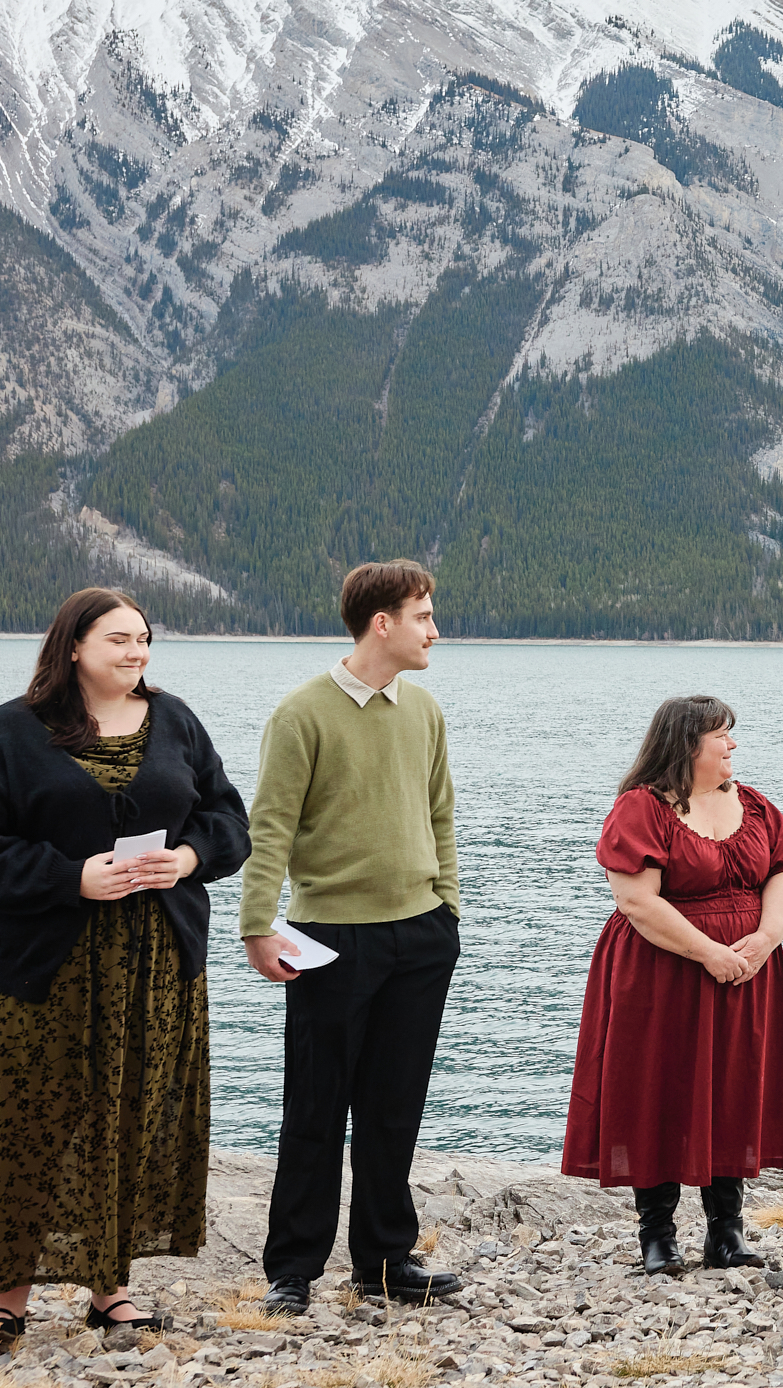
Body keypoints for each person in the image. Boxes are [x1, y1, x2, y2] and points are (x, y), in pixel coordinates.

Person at [0, 589, 250, 1349]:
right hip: (39, 970)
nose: (137, 652)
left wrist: (187, 857)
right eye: (119, 639)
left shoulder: (175, 721)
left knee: (130, 1116)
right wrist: (70, 876)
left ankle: (111, 1291)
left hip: (154, 966)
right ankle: (7, 1298)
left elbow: (229, 819)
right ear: (74, 645)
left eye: (144, 638)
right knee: (25, 1121)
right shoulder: (10, 730)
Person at [241, 560, 464, 1314]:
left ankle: (384, 1260)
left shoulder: (424, 709)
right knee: (316, 1104)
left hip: (420, 934)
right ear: (382, 622)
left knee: (395, 1105)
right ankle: (292, 1269)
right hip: (330, 936)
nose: (434, 631)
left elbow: (440, 813)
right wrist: (256, 925)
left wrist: (448, 910)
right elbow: (270, 827)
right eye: (423, 616)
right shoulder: (301, 713)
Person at [562, 696, 783, 1274]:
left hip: (746, 971)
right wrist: (709, 952)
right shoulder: (641, 809)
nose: (732, 744)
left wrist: (766, 939)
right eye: (722, 735)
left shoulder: (756, 807)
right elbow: (636, 902)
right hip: (661, 971)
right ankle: (657, 1236)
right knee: (657, 1087)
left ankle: (726, 1234)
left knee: (732, 1084)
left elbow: (780, 874)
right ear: (689, 744)